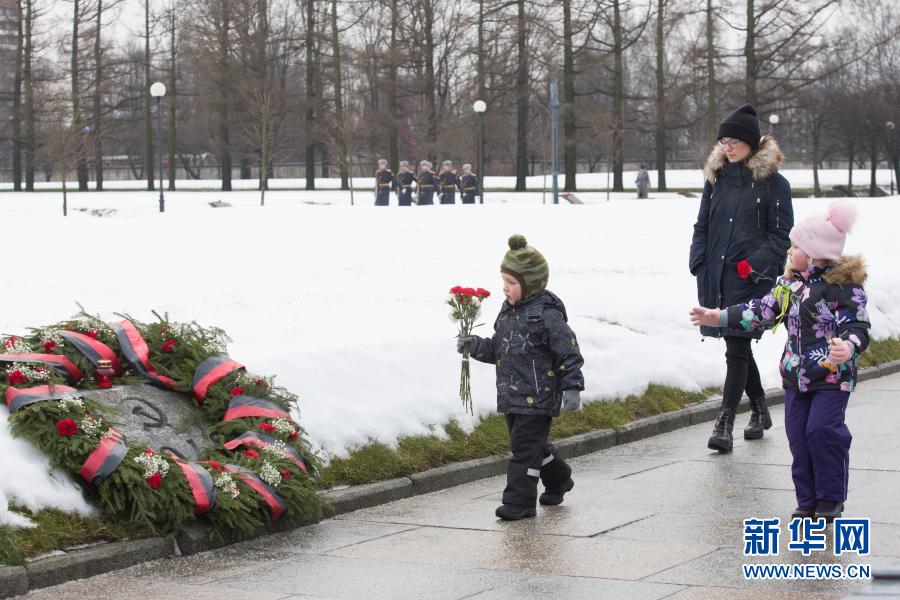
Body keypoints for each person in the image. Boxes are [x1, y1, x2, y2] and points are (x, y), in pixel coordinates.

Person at [690, 201, 869, 521]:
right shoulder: (789, 286)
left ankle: (830, 498)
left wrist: (849, 346)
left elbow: (857, 325)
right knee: (799, 438)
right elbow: (759, 311)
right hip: (795, 377)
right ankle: (807, 498)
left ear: (815, 252)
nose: (789, 252)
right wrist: (719, 316)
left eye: (795, 246)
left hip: (831, 376)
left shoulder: (843, 287)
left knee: (822, 432)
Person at [456, 234, 585, 521]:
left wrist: (572, 386)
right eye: (503, 282)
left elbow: (569, 351)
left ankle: (519, 502)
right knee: (530, 445)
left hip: (538, 396)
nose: (505, 289)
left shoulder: (547, 315)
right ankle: (559, 478)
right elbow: (500, 348)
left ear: (532, 283)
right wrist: (477, 346)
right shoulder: (508, 312)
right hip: (511, 394)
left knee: (524, 452)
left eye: (512, 284)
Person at [689, 103, 794, 452]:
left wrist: (754, 265)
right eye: (723, 141)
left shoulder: (774, 185)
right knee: (739, 344)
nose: (727, 147)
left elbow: (781, 237)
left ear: (751, 143)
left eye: (733, 141)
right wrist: (698, 261)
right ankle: (760, 407)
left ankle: (725, 421)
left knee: (736, 346)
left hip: (750, 279)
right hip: (716, 275)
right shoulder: (716, 180)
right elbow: (702, 225)